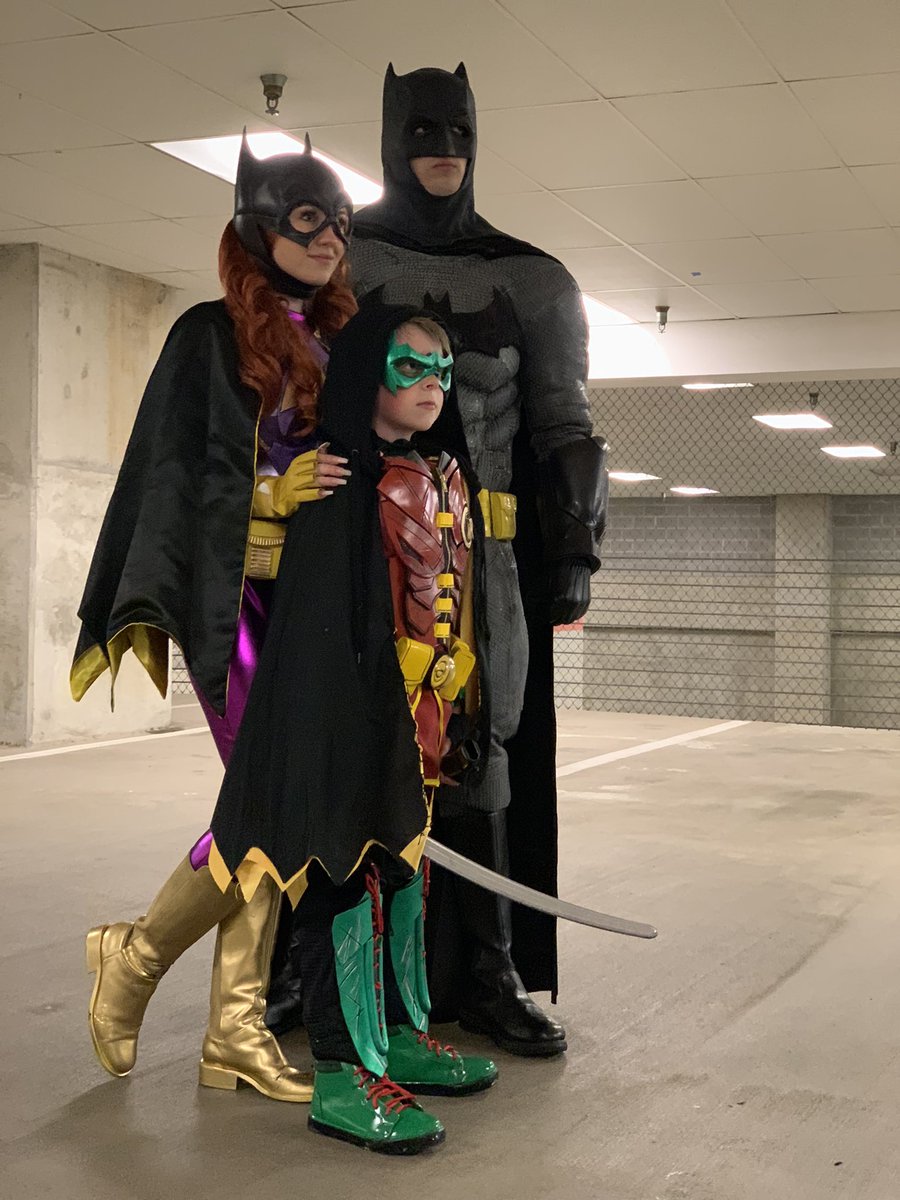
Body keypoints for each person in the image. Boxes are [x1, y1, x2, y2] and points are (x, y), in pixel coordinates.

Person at [268, 64, 609, 1058]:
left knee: (480, 754)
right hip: (357, 542)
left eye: (457, 129)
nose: (442, 149)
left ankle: (487, 971)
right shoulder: (339, 262)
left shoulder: (532, 279)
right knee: (341, 749)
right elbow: (286, 400)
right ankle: (310, 968)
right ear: (388, 135)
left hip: (484, 557)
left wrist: (576, 552)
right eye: (421, 130)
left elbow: (565, 427)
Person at [71, 134, 355, 1102]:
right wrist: (274, 494)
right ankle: (148, 968)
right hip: (235, 603)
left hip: (311, 608)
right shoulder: (208, 335)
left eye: (340, 222)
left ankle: (219, 1019)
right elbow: (176, 480)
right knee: (269, 804)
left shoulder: (340, 341)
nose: (329, 237)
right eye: (309, 219)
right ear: (259, 225)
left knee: (273, 811)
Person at [207, 302, 497, 1154]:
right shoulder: (334, 478)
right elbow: (320, 621)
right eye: (410, 366)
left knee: (403, 875)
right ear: (368, 369)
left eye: (442, 370)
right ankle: (341, 1074)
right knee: (340, 883)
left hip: (417, 726)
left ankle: (398, 1038)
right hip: (341, 727)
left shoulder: (436, 474)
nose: (431, 384)